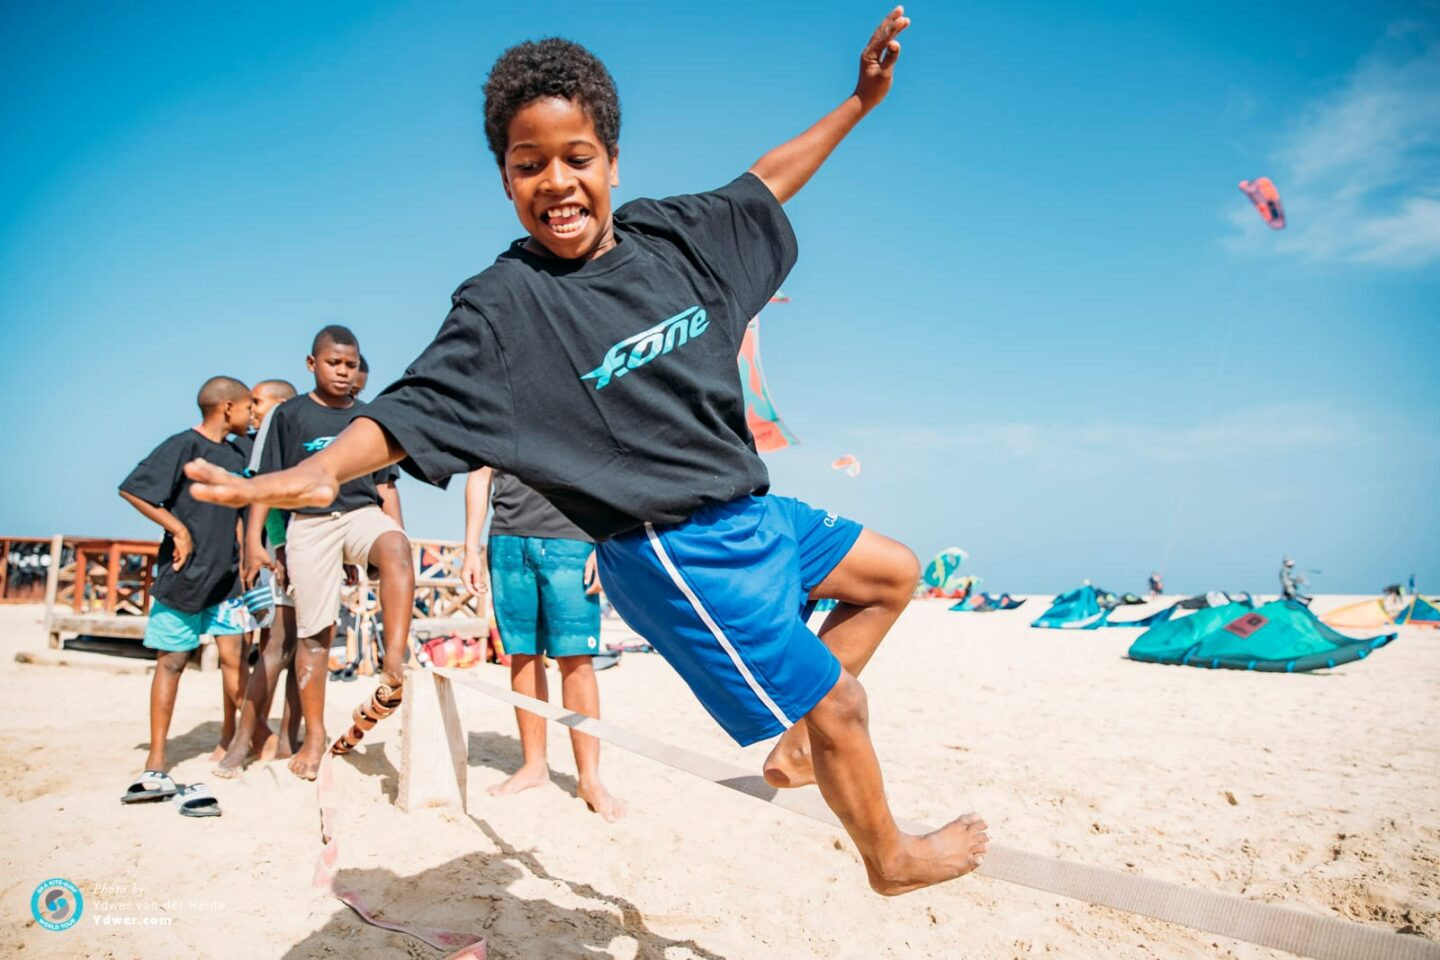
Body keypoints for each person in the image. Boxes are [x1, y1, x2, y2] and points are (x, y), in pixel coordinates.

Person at [186, 8, 989, 893]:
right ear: (504, 179)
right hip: (672, 547)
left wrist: (861, 101)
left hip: (752, 510)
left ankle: (801, 742)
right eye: (529, 165)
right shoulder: (505, 306)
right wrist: (316, 471)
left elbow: (765, 182)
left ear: (612, 161)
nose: (557, 182)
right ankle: (890, 858)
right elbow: (412, 407)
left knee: (893, 574)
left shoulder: (672, 237)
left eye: (577, 158)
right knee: (843, 703)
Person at [245, 326, 415, 779]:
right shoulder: (288, 414)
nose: (343, 372)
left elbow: (386, 486)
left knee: (398, 544)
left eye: (351, 365)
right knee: (314, 635)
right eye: (334, 363)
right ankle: (315, 737)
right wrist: (256, 543)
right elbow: (268, 483)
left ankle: (394, 658)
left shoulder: (370, 418)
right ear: (311, 364)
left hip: (361, 513)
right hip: (311, 522)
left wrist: (389, 543)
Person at [461, 467, 625, 821]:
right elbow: (479, 474)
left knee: (576, 659)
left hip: (573, 537)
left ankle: (589, 778)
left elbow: (608, 464)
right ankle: (534, 765)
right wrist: (470, 547)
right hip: (507, 538)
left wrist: (606, 541)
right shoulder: (494, 421)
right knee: (522, 653)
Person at [119, 376, 252, 804]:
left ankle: (232, 738)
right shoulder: (182, 446)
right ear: (227, 408)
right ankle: (157, 755)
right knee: (172, 662)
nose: (252, 415)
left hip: (229, 580)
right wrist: (177, 529)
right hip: (184, 577)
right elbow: (133, 489)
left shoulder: (241, 453)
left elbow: (249, 508)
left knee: (235, 661)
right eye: (248, 407)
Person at [216, 378, 304, 778]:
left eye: (258, 401)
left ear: (281, 403)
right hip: (281, 549)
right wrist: (274, 545)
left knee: (301, 648)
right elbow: (264, 495)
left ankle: (285, 739)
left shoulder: (285, 421)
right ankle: (245, 738)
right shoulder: (270, 430)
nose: (252, 409)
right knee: (276, 645)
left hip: (302, 545)